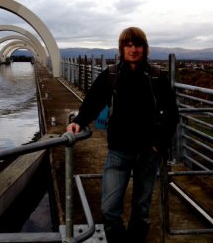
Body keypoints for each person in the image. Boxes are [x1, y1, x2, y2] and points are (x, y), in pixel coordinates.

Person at [66, 27, 179, 243]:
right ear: (122, 49)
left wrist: (159, 143)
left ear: (144, 49)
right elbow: (93, 102)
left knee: (141, 210)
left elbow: (172, 114)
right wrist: (78, 122)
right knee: (109, 209)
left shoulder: (156, 77)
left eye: (138, 45)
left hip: (148, 152)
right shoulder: (111, 75)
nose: (133, 49)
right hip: (118, 151)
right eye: (128, 45)